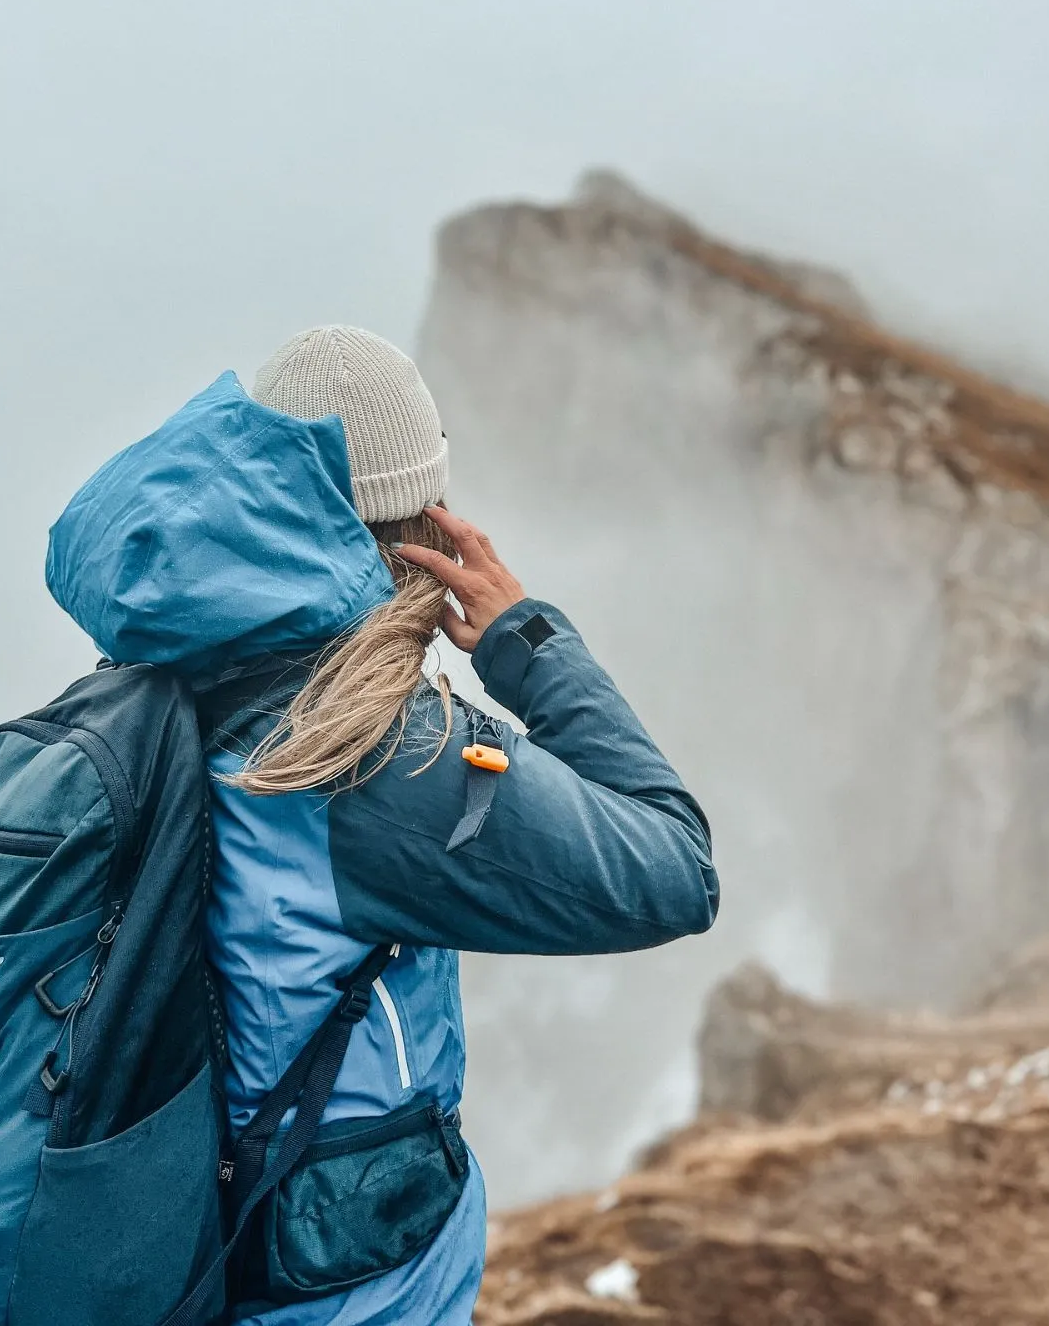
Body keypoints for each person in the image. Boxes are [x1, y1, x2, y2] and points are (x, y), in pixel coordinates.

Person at [47, 324, 719, 1326]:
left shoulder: (139, 682)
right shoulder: (375, 758)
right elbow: (674, 865)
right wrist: (528, 643)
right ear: (425, 527)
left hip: (162, 1260)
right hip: (339, 1294)